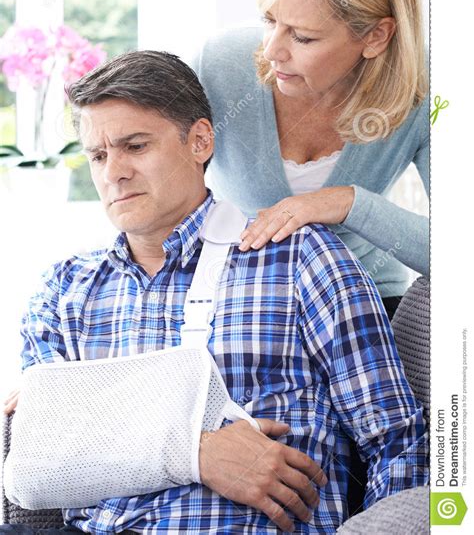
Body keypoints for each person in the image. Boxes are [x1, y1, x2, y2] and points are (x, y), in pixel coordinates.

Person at [2, 51, 427, 534]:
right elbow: (35, 464)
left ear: (200, 140)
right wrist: (196, 453)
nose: (112, 172)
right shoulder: (65, 288)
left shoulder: (300, 259)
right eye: (98, 155)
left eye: (135, 146)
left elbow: (397, 443)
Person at [191, 0, 429, 322]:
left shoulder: (427, 90)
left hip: (364, 303)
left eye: (303, 37)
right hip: (236, 306)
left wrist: (347, 202)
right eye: (270, 21)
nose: (272, 51)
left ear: (376, 36)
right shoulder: (218, 67)